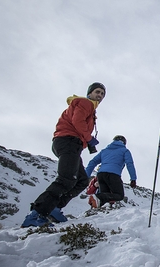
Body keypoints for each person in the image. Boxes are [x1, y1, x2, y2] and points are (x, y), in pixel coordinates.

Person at [21, 82, 106, 227]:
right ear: (90, 93)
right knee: (65, 179)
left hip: (71, 144)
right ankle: (36, 214)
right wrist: (89, 138)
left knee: (81, 181)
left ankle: (54, 208)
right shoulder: (85, 103)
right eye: (97, 92)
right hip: (68, 140)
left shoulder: (90, 109)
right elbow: (77, 121)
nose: (100, 95)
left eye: (102, 94)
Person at [85, 135, 137, 208]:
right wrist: (133, 179)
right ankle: (97, 197)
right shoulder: (125, 151)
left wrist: (86, 176)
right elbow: (129, 164)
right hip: (113, 174)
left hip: (101, 175)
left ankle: (97, 210)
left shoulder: (104, 151)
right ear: (124, 143)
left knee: (105, 197)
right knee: (119, 195)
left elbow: (92, 162)